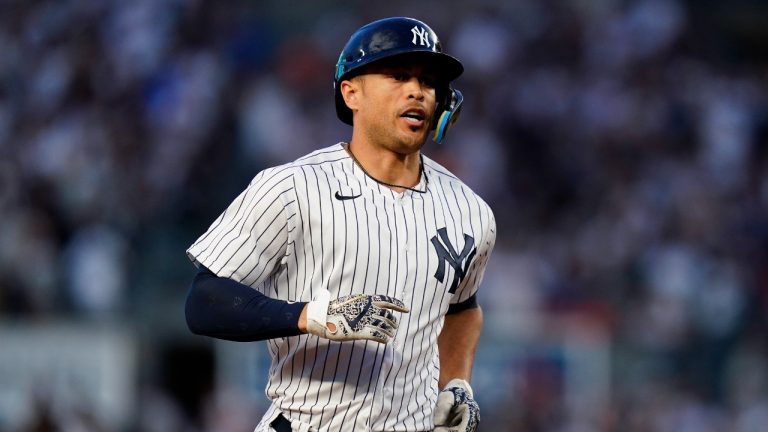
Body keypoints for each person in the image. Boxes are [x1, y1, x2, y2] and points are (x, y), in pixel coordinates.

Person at [184, 16, 496, 432]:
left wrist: (456, 384)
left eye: (429, 81)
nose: (417, 91)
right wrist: (310, 316)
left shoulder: (470, 211)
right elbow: (204, 301)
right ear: (351, 92)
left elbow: (462, 308)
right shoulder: (293, 188)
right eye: (399, 75)